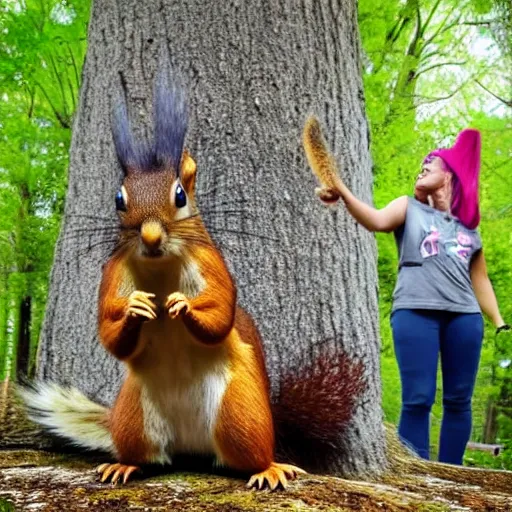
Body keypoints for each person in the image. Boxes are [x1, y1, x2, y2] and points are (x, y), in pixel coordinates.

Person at [314, 128, 509, 464]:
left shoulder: (469, 229)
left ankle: (451, 473)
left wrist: (499, 321)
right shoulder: (408, 208)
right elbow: (375, 221)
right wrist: (343, 192)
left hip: (464, 318)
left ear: (449, 173)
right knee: (418, 398)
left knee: (459, 400)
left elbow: (481, 280)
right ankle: (418, 472)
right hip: (415, 312)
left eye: (429, 163)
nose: (422, 166)